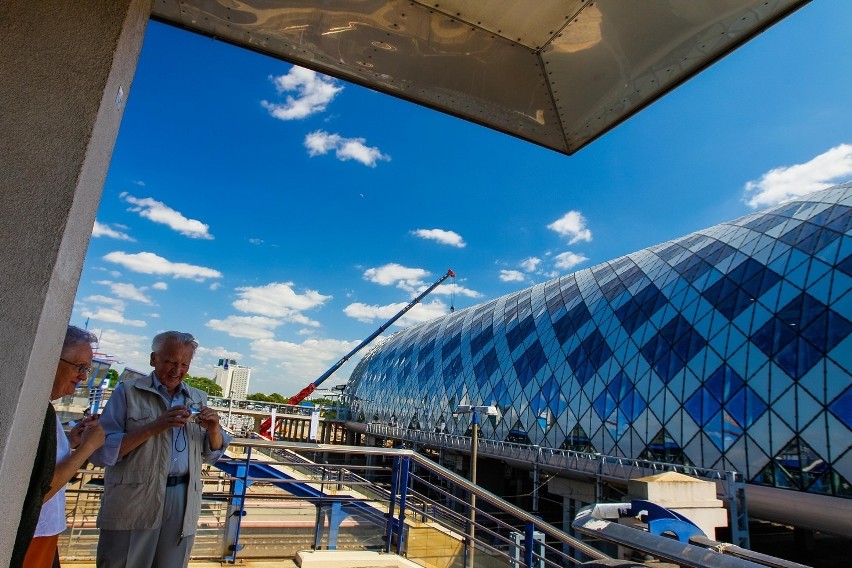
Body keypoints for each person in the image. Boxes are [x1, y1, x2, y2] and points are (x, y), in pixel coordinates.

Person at [91, 331, 231, 568]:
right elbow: (102, 450)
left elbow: (212, 453)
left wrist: (214, 430)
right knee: (123, 560)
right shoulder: (127, 392)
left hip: (183, 498)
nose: (178, 370)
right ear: (153, 359)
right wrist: (154, 427)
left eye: (184, 364)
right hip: (135, 495)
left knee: (172, 563)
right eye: (170, 361)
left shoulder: (197, 398)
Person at [13, 326, 107, 568]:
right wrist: (87, 448)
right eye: (79, 367)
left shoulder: (43, 411)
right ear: (50, 358)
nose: (84, 376)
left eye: (86, 369)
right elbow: (37, 491)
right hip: (31, 536)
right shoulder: (37, 412)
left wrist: (71, 442)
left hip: (42, 532)